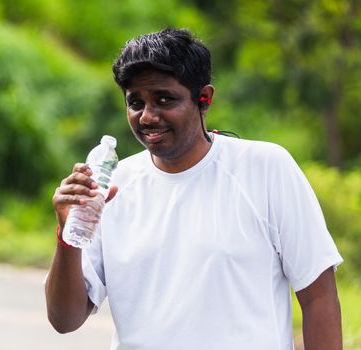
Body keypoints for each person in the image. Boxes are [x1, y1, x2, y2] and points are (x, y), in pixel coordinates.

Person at [45, 28, 343, 350]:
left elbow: (318, 297)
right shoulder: (113, 185)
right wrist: (68, 234)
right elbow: (65, 319)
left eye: (164, 99)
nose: (147, 116)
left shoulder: (266, 168)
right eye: (136, 102)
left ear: (204, 99)